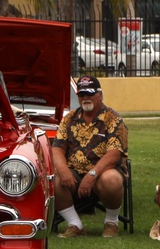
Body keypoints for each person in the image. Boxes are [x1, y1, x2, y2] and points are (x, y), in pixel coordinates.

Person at [52, 75, 128, 238]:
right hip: (74, 172)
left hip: (104, 172)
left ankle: (111, 223)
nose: (85, 98)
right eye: (81, 94)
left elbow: (114, 154)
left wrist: (92, 175)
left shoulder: (113, 118)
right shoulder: (69, 119)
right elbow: (57, 149)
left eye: (90, 93)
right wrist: (63, 170)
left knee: (112, 180)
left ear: (100, 94)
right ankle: (74, 225)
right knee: (53, 180)